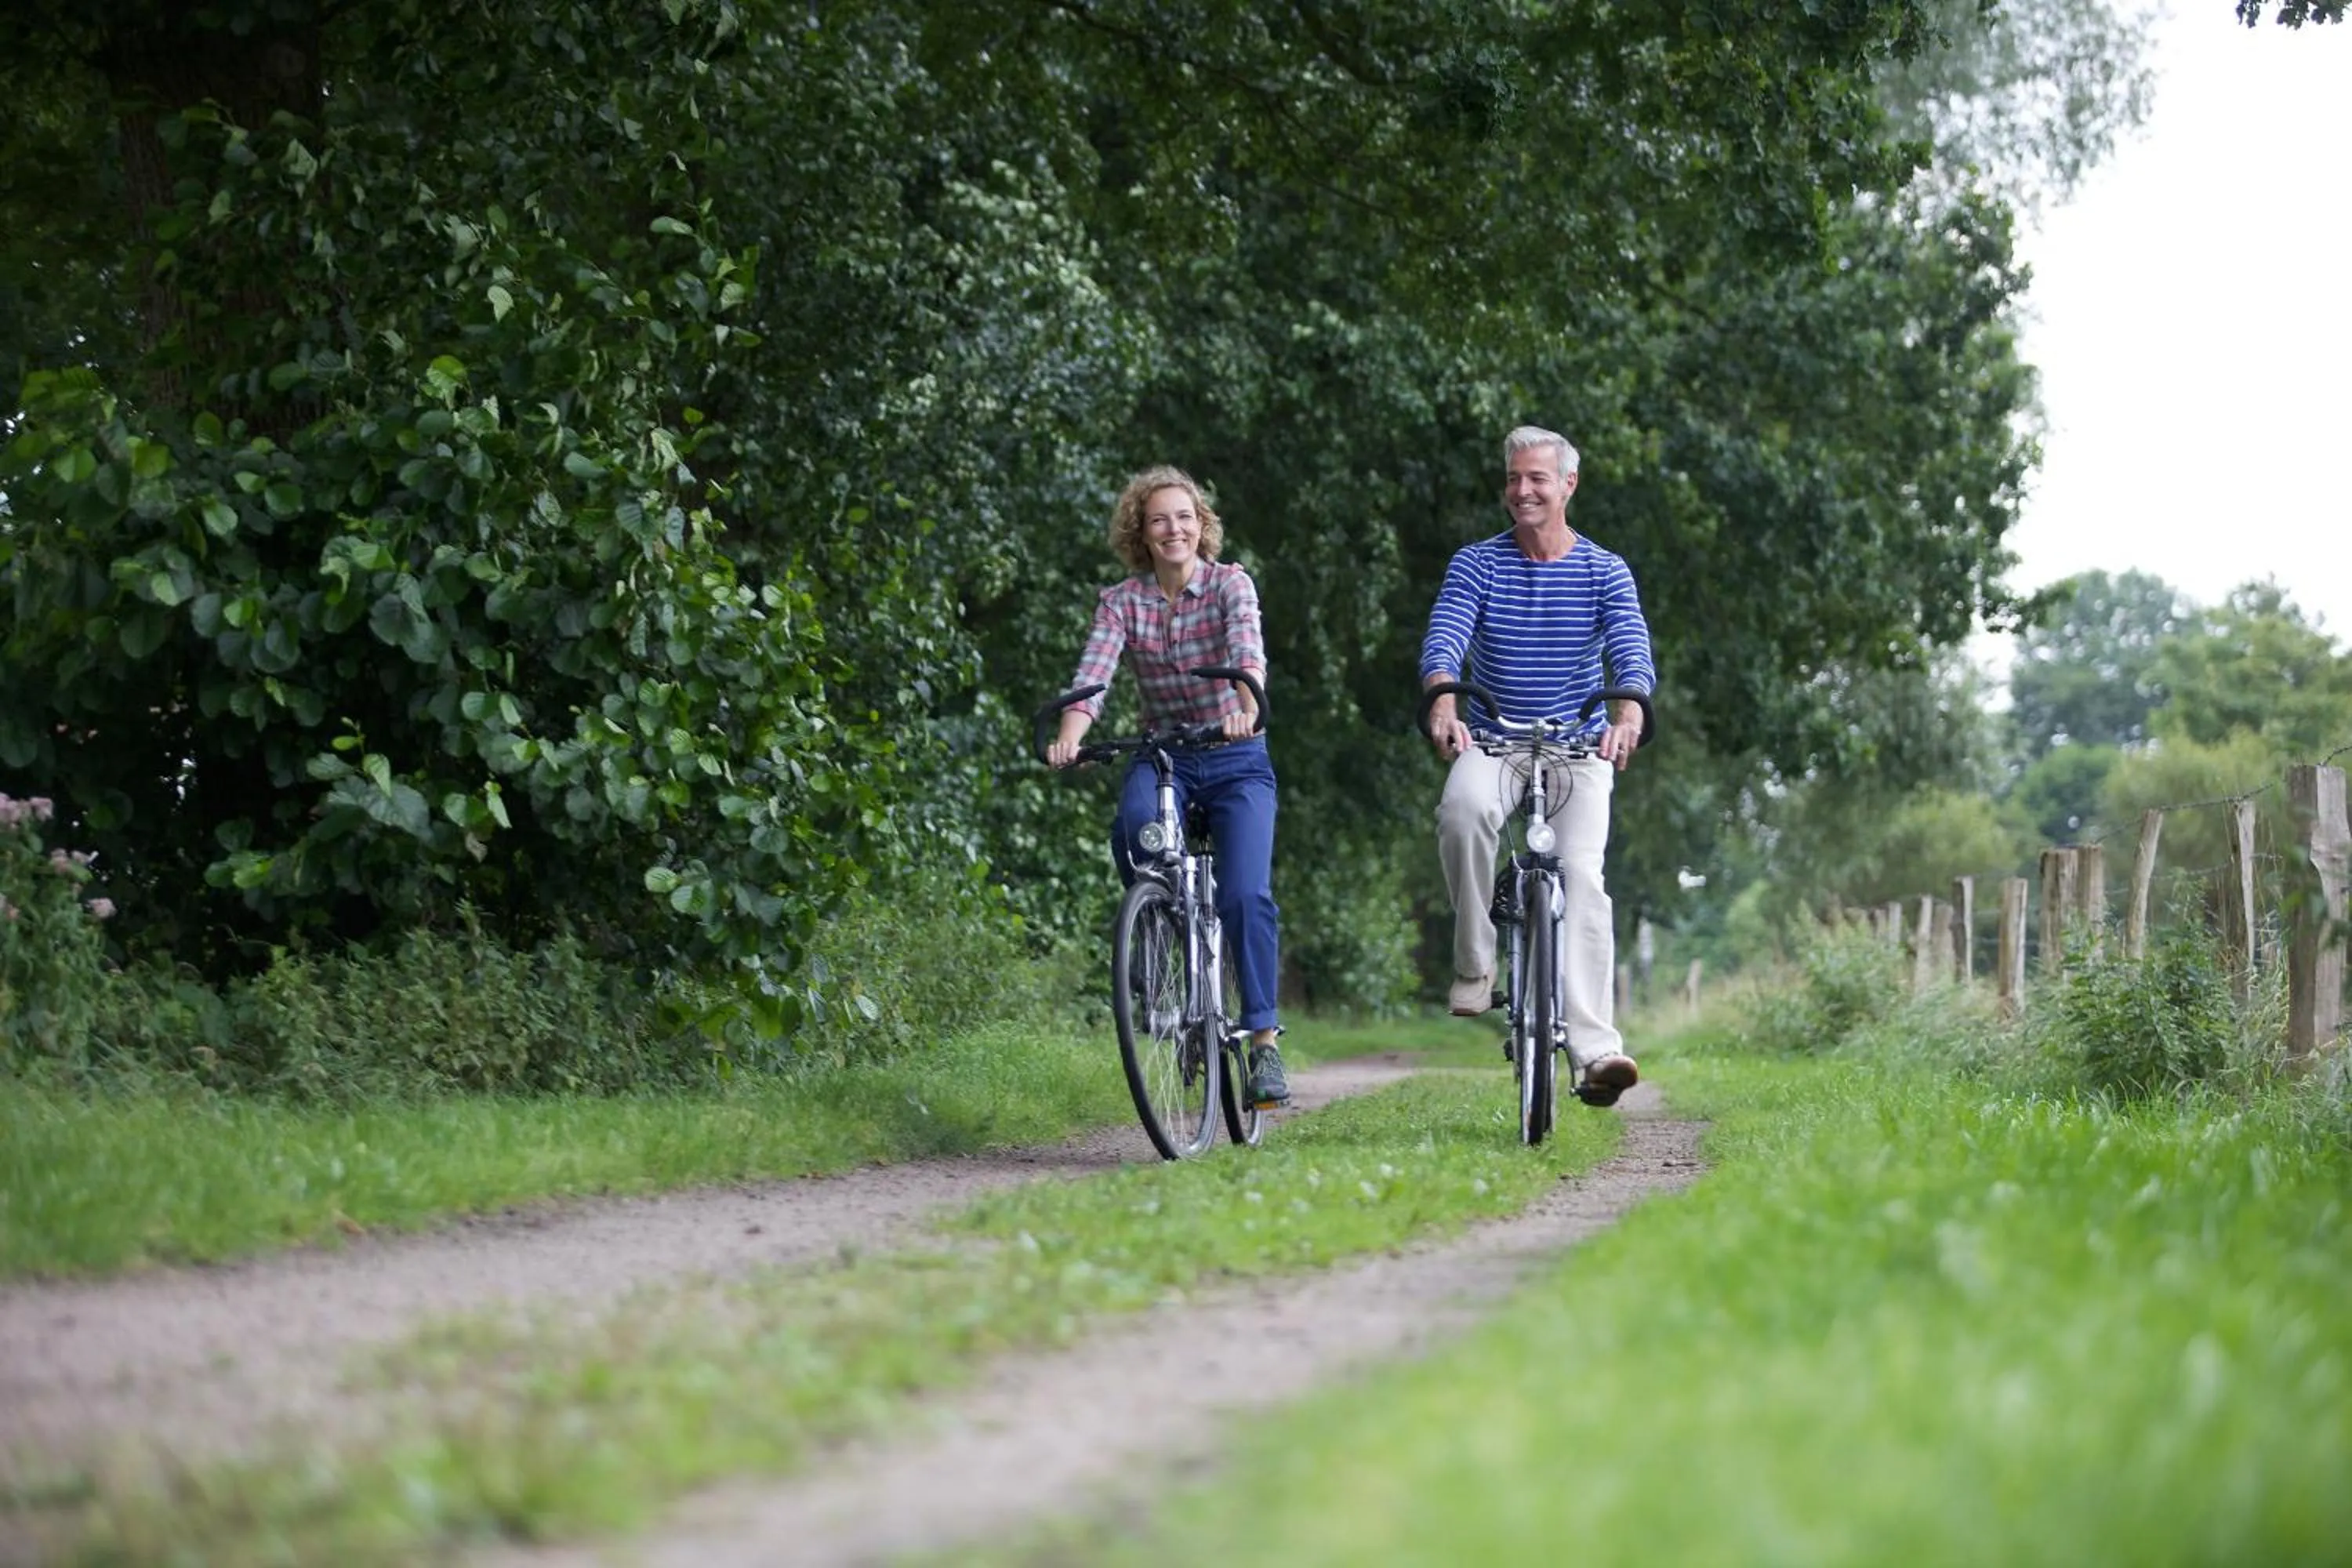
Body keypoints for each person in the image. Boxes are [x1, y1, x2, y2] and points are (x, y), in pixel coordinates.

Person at [1419, 426, 1655, 1105]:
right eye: (1514, 479)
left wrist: (1629, 718)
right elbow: (1447, 635)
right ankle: (1474, 964)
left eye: (1538, 479)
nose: (1523, 490)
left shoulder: (1605, 570)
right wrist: (1442, 699)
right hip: (1493, 739)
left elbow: (1631, 651)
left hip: (1579, 747)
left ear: (1568, 486)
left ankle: (1595, 1051)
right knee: (1462, 813)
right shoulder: (1477, 564)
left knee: (1582, 876)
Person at [1047, 466, 1289, 1108]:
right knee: (1132, 832)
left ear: (1201, 526)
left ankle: (1263, 1043)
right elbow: (1094, 675)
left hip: (1237, 755)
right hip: (1166, 757)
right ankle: (1158, 947)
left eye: (1184, 517)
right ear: (1141, 533)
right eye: (1159, 519)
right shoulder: (1122, 601)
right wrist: (1072, 734)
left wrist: (1245, 706)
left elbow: (1247, 654)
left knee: (1244, 894)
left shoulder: (1230, 585)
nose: (1173, 528)